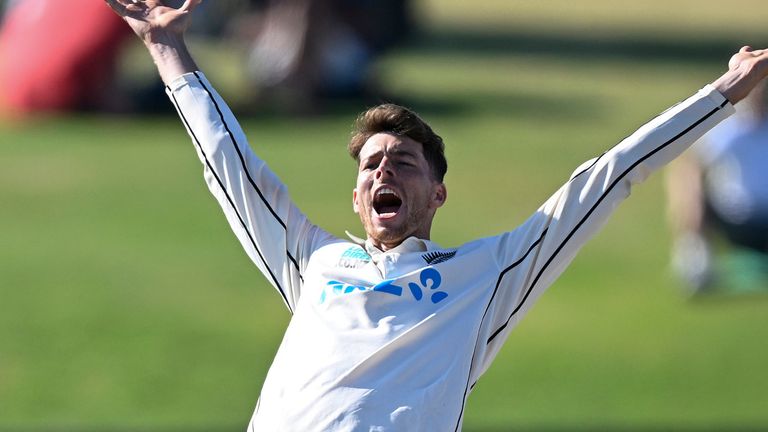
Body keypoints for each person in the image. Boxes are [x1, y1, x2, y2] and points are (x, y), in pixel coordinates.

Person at [105, 0, 768, 430]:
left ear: (437, 195)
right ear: (358, 198)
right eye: (369, 167)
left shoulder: (487, 274)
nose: (382, 172)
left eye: (403, 163)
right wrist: (169, 50)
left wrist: (724, 94)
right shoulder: (312, 261)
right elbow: (231, 168)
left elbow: (610, 176)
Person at [667, 83, 768, 294]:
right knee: (689, 183)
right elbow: (692, 166)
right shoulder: (732, 128)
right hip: (737, 221)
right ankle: (695, 258)